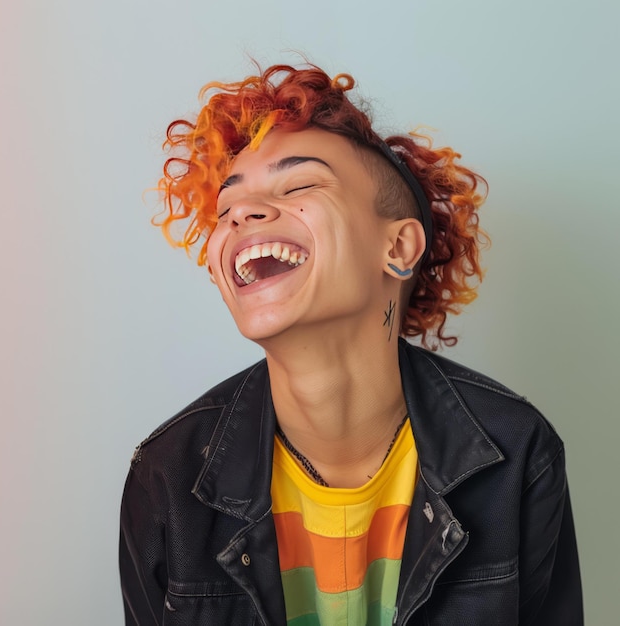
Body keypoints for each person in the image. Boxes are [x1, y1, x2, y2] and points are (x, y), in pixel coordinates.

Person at [119, 63, 583, 625]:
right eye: (226, 208)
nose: (241, 213)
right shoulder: (168, 474)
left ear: (399, 246)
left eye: (299, 185)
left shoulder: (518, 453)